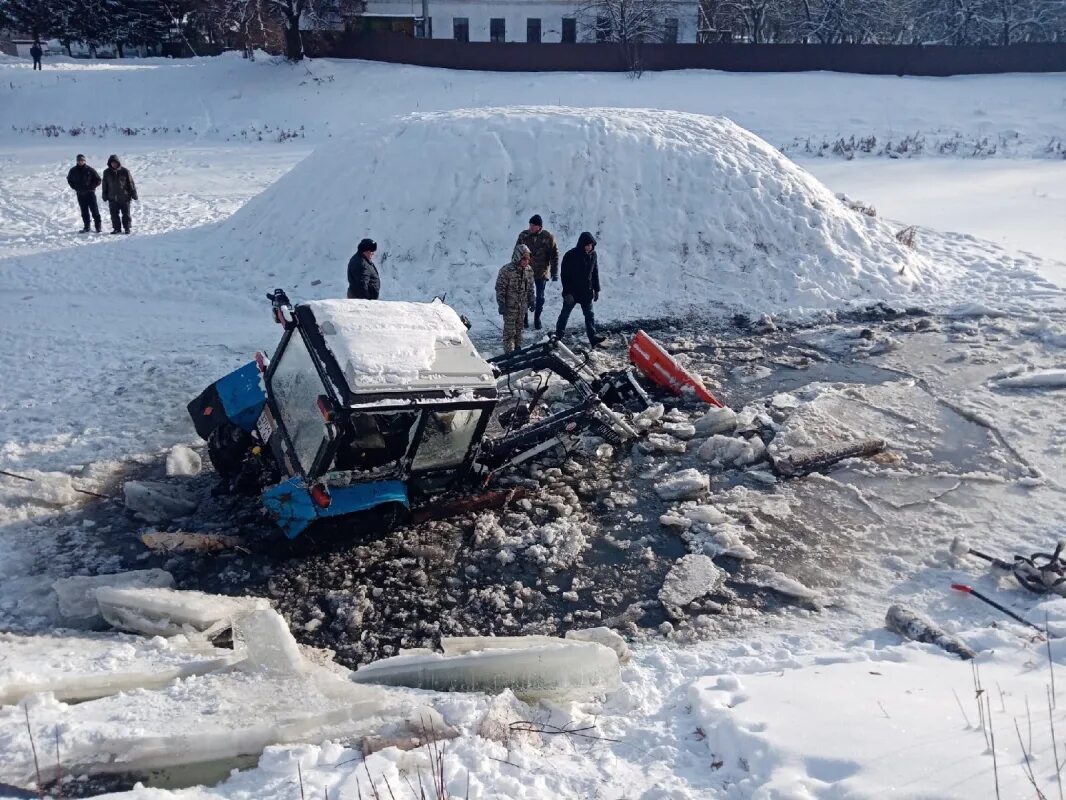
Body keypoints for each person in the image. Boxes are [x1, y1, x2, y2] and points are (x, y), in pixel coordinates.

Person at [555, 231, 606, 347]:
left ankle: (592, 337)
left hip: (586, 292)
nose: (589, 247)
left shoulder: (593, 255)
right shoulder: (570, 255)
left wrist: (596, 289)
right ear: (582, 244)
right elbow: (564, 276)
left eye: (591, 245)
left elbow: (595, 272)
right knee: (565, 314)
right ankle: (558, 335)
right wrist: (567, 293)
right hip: (572, 292)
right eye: (587, 245)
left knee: (589, 315)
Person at [514, 214, 559, 330]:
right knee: (523, 295)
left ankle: (537, 318)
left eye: (533, 225)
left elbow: (554, 255)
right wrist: (515, 268)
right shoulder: (523, 236)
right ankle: (524, 318)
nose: (530, 227)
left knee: (540, 297)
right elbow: (517, 252)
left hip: (541, 271)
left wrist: (554, 272)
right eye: (530, 225)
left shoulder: (548, 237)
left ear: (539, 226)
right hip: (525, 270)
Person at [495, 243, 535, 353]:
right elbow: (500, 288)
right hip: (509, 307)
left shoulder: (529, 271)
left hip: (522, 308)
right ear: (518, 257)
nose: (526, 261)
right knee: (509, 332)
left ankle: (517, 350)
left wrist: (532, 300)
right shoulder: (506, 271)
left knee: (519, 330)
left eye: (528, 259)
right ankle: (509, 355)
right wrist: (501, 303)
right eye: (524, 259)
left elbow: (530, 287)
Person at [101, 155, 137, 234]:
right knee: (114, 215)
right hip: (112, 197)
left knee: (126, 214)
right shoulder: (106, 172)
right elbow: (104, 184)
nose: (113, 164)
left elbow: (130, 183)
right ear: (109, 163)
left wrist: (134, 193)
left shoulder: (125, 171)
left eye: (115, 162)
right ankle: (116, 228)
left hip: (124, 197)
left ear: (118, 163)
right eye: (112, 163)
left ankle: (127, 228)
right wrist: (104, 194)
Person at [66, 154, 102, 233]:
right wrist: (75, 187)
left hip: (90, 194)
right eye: (79, 160)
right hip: (80, 194)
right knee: (84, 211)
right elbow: (69, 180)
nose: (80, 162)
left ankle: (98, 227)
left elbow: (98, 180)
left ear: (84, 161)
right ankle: (87, 227)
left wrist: (92, 187)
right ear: (77, 161)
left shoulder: (90, 170)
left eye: (82, 160)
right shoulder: (73, 170)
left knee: (94, 210)